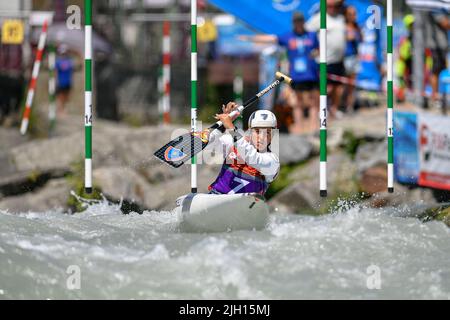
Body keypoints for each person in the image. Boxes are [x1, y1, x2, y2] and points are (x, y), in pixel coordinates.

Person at [239, 11, 320, 133]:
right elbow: (271, 39)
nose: (298, 23)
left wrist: (315, 54)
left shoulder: (312, 35)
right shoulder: (288, 36)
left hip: (311, 73)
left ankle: (314, 127)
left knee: (314, 101)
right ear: (293, 23)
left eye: (300, 21)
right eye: (296, 21)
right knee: (297, 102)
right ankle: (300, 128)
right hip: (296, 75)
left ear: (303, 22)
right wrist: (249, 38)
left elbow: (319, 49)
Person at [205, 102, 280, 196]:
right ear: (250, 131)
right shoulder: (232, 143)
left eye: (268, 133)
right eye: (257, 131)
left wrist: (232, 129)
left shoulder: (272, 161)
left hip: (248, 205)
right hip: (217, 197)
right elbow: (209, 144)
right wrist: (222, 126)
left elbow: (252, 157)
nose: (262, 137)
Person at [306, 0, 346, 119]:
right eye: (330, 6)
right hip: (324, 60)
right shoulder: (318, 18)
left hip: (339, 59)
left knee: (337, 87)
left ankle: (334, 109)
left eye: (336, 6)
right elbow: (306, 33)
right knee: (325, 87)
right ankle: (322, 109)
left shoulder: (340, 18)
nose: (333, 8)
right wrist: (313, 48)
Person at [424, 9, 450, 108]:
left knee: (442, 71)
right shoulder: (435, 8)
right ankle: (435, 97)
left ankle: (441, 95)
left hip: (442, 46)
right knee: (435, 71)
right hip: (434, 46)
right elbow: (445, 23)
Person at [343, 5, 362, 112]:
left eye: (354, 14)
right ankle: (342, 105)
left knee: (352, 84)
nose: (353, 16)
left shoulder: (356, 27)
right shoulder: (343, 26)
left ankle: (349, 106)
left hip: (354, 57)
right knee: (343, 83)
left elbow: (361, 39)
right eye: (351, 14)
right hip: (344, 58)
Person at [396, 14, 414, 102]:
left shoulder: (413, 38)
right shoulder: (404, 39)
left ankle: (405, 98)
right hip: (403, 65)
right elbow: (402, 55)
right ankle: (400, 98)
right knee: (402, 83)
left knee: (409, 83)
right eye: (411, 25)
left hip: (409, 65)